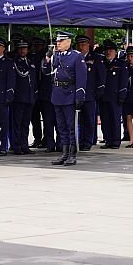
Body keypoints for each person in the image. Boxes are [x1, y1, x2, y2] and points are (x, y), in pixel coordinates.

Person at [43, 31, 86, 166]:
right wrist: (48, 57)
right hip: (57, 94)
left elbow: (81, 78)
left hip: (70, 94)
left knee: (70, 126)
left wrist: (80, 96)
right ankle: (64, 153)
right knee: (61, 126)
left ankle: (72, 154)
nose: (58, 43)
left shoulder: (76, 57)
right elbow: (45, 71)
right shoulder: (56, 56)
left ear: (69, 42)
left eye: (61, 41)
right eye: (57, 41)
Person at [75, 35, 104, 151]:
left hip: (90, 94)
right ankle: (81, 140)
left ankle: (88, 141)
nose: (81, 47)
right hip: (78, 95)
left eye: (83, 45)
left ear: (88, 45)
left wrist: (99, 91)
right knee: (80, 120)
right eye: (79, 45)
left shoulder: (95, 58)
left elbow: (100, 76)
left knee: (89, 119)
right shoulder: (76, 59)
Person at [11, 39, 36, 155]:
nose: (22, 50)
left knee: (26, 123)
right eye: (20, 48)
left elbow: (34, 80)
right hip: (19, 97)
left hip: (29, 97)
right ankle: (17, 146)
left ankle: (24, 145)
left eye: (24, 48)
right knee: (17, 123)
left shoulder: (30, 62)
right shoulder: (15, 63)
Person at [121, 45, 133, 147]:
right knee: (128, 117)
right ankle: (131, 138)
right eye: (128, 56)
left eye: (132, 56)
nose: (130, 58)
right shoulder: (126, 68)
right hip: (127, 95)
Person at [28, 37, 46, 148]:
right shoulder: (32, 57)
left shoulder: (45, 57)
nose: (37, 47)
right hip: (35, 91)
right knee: (35, 118)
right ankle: (37, 138)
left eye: (39, 45)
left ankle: (46, 138)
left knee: (46, 117)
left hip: (44, 91)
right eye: (36, 45)